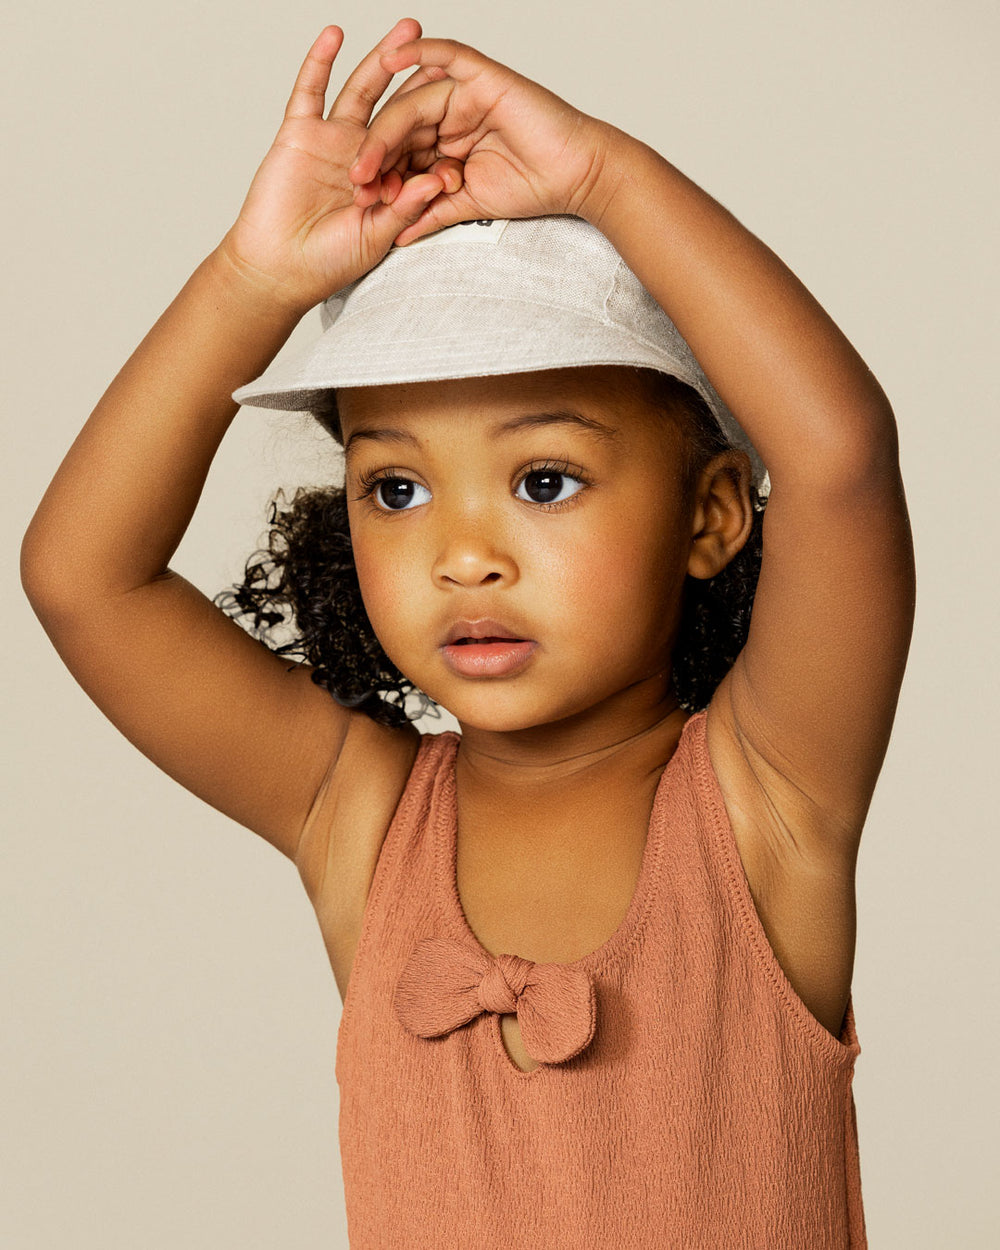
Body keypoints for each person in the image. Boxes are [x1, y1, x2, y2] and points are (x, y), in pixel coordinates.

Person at [19, 17, 915, 1248]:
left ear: (710, 516)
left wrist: (603, 172)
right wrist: (253, 278)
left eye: (545, 479)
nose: (463, 552)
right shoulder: (361, 819)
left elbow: (840, 460)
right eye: (396, 488)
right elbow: (82, 578)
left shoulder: (765, 801)